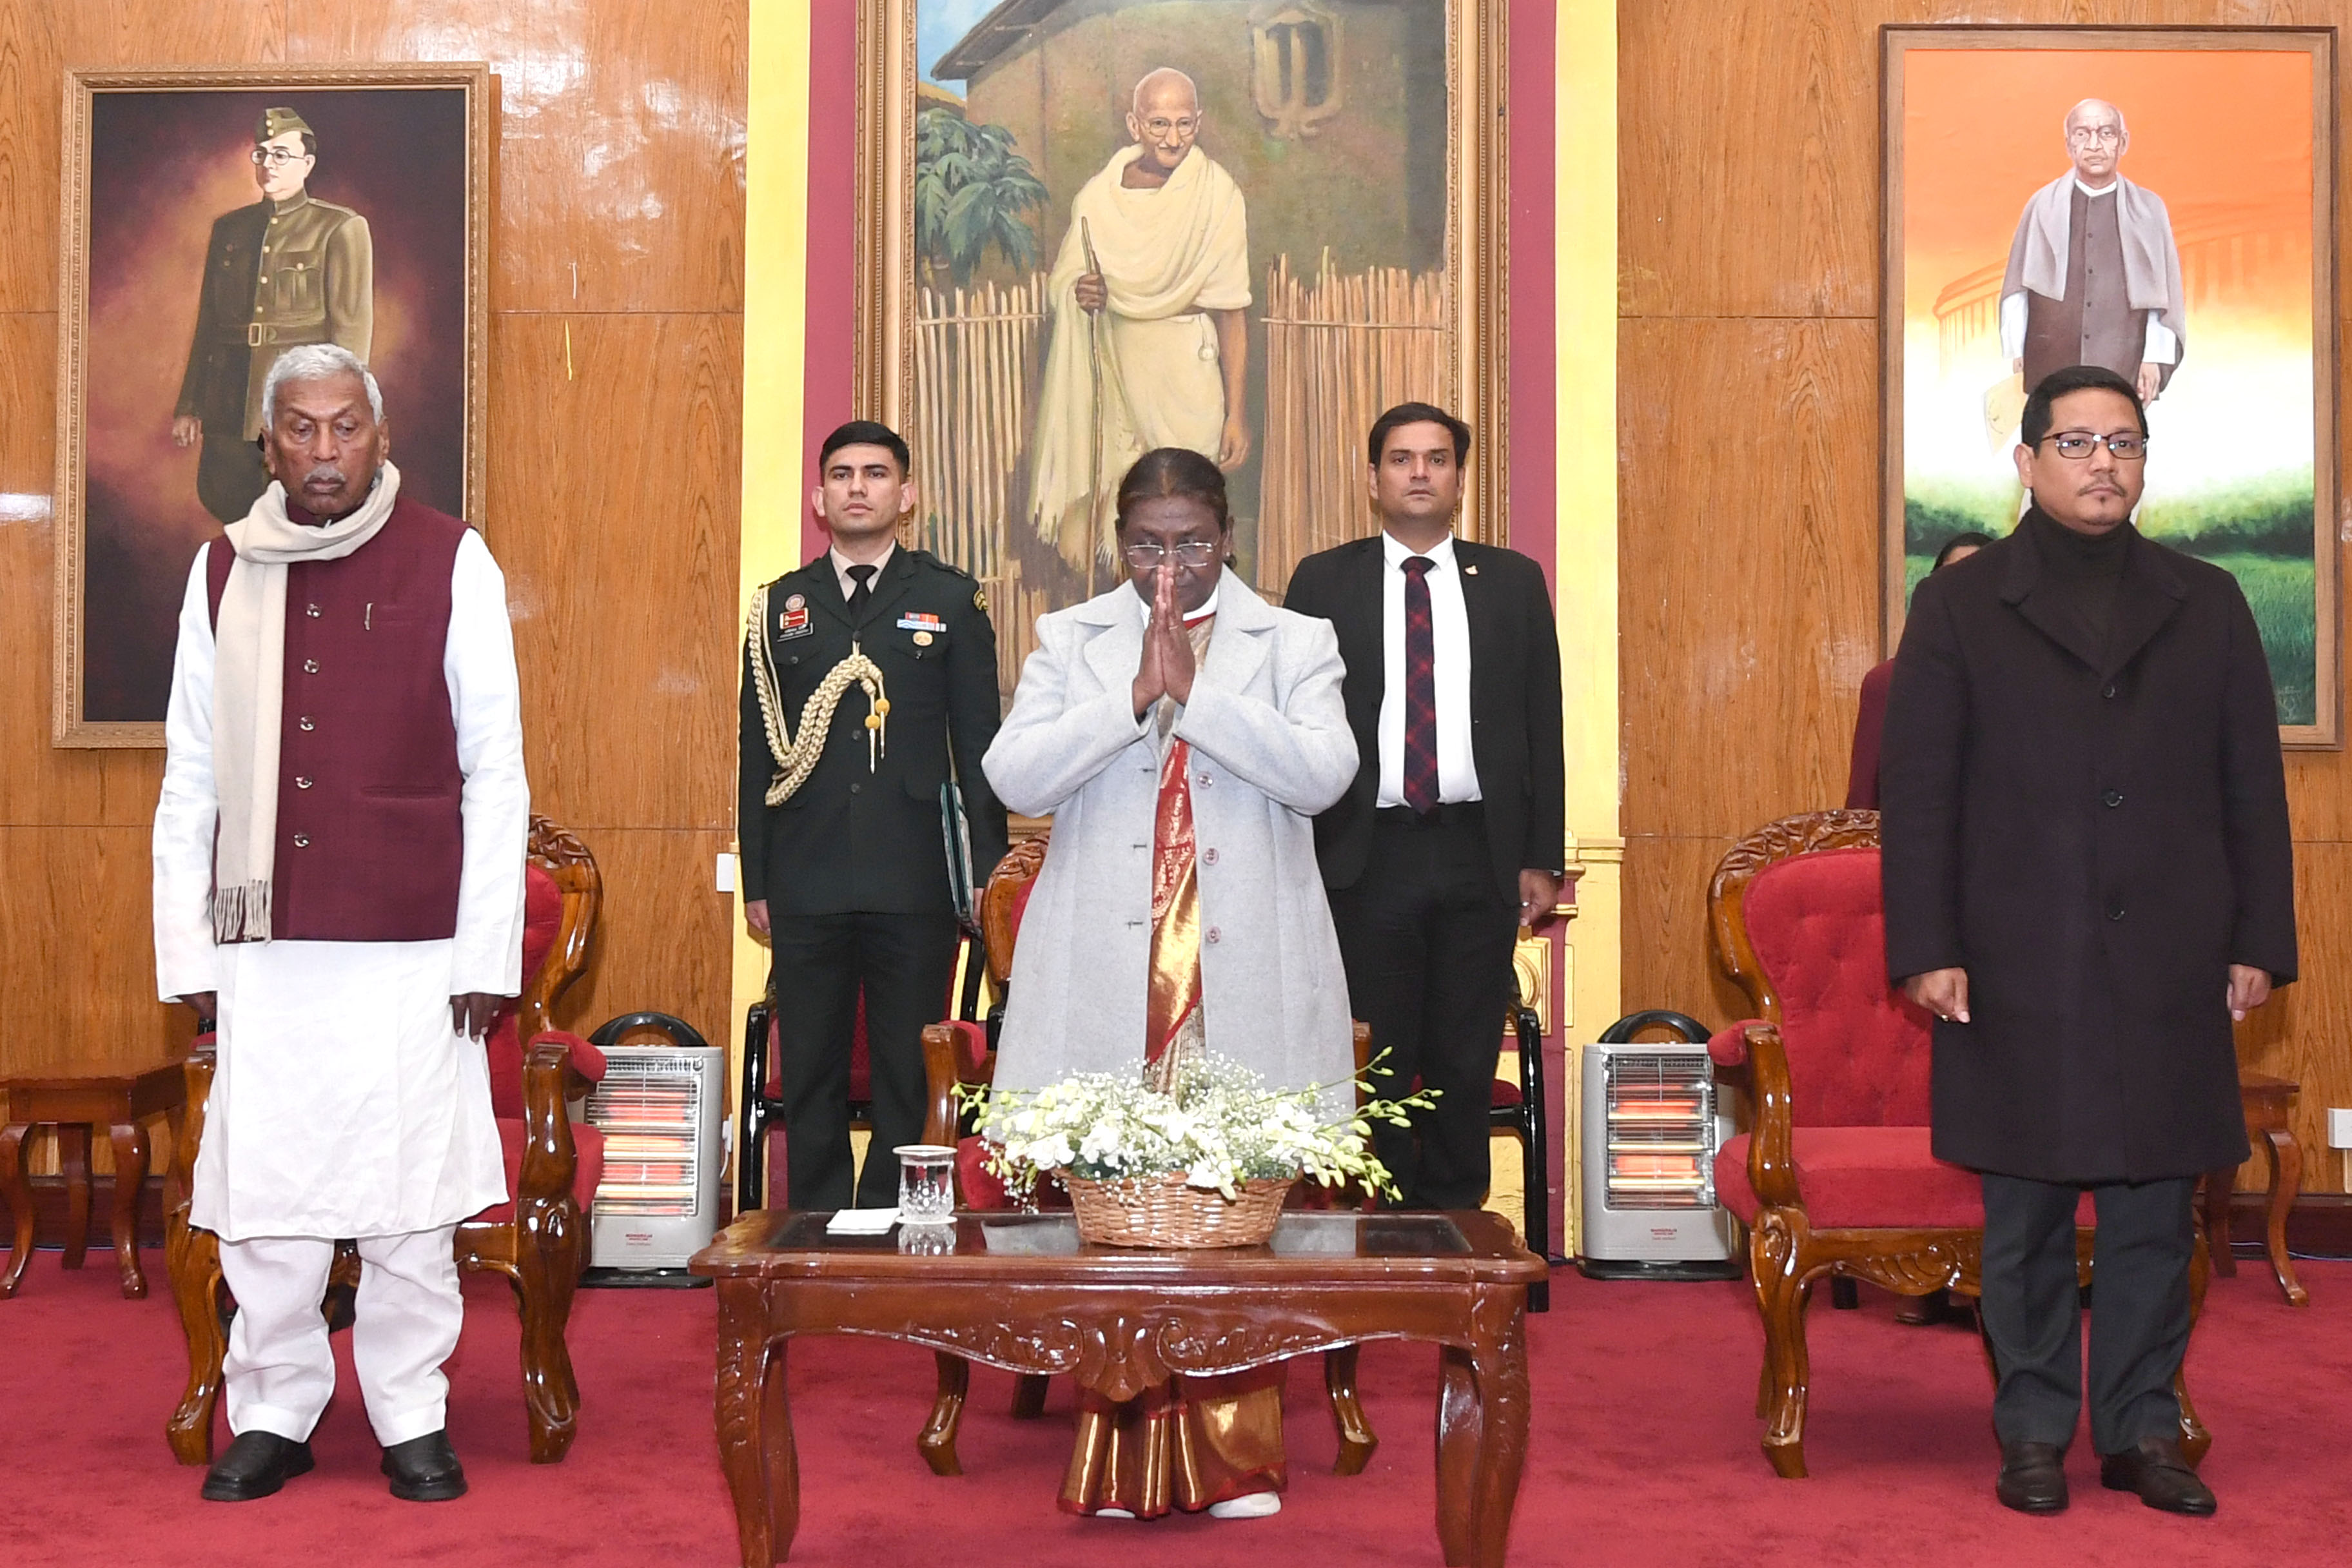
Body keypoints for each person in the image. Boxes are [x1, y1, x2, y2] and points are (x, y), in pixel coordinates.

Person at [1879, 363, 2295, 1518]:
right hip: (2016, 955)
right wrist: (1927, 944)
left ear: (2143, 462)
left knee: (2157, 1213)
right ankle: (2026, 1432)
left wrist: (2258, 936)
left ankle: (2139, 1429)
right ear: (2024, 462)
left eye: (2121, 441)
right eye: (2073, 442)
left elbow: (2247, 789)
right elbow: (1919, 791)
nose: (2100, 461)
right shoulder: (1960, 604)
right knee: (2020, 1219)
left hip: (2170, 955)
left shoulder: (2203, 598)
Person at [152, 342, 525, 1504]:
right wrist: (188, 954)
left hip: (412, 941)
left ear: (378, 431)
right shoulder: (219, 571)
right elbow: (191, 775)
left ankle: (412, 1409)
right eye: (301, 430)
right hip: (268, 943)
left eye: (344, 427)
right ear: (267, 444)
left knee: (409, 1191)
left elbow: (496, 771)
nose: (324, 452)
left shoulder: (451, 557)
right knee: (270, 1191)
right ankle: (276, 1405)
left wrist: (484, 948)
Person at [984, 447, 1357, 1520]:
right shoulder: (1070, 638)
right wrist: (1131, 695)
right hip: (1110, 959)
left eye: (1192, 543)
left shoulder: (1294, 641)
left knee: (1231, 1214)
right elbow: (1016, 776)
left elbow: (1324, 774)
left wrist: (1197, 698)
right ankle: (1113, 1460)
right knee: (1117, 1209)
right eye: (1147, 545)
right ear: (1118, 544)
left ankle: (1239, 1459)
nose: (1170, 566)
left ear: (1227, 536)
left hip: (1241, 956)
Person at [1282, 402, 1564, 1211]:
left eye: (1436, 459)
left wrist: (1540, 855)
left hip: (1477, 848)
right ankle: (1383, 1226)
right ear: (1373, 479)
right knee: (1375, 1052)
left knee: (1463, 1052)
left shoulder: (1511, 579)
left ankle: (1454, 1228)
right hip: (1366, 853)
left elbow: (1542, 720)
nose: (1418, 473)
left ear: (1459, 480)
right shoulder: (1322, 579)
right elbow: (1298, 720)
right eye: (1401, 459)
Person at [738, 421, 1008, 1210]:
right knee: (813, 1067)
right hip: (806, 872)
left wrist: (987, 877)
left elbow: (978, 746)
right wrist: (760, 875)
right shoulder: (780, 605)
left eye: (877, 473)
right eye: (843, 474)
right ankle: (816, 1229)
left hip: (914, 874)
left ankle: (893, 1223)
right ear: (819, 498)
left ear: (907, 494)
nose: (859, 486)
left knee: (905, 1064)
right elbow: (757, 753)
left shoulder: (950, 599)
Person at [1026, 68, 1251, 576]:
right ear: (1134, 124)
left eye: (1185, 124)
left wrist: (1236, 413)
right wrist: (1081, 292)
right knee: (1120, 512)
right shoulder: (1098, 197)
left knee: (1191, 508)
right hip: (1114, 362)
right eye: (1158, 124)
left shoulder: (1217, 194)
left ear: (1200, 122)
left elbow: (1231, 309)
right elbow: (1067, 281)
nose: (1173, 138)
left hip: (1188, 374)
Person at [174, 107, 375, 525]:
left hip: (298, 408)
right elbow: (209, 325)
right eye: (261, 154)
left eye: (281, 155)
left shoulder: (339, 228)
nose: (268, 165)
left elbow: (351, 330)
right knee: (229, 506)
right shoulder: (230, 229)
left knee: (300, 516)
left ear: (308, 164)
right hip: (229, 404)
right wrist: (191, 403)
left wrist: (337, 415)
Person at [2000, 99, 2184, 408]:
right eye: (2083, 134)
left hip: (2123, 366)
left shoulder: (2150, 209)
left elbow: (2161, 296)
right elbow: (2017, 290)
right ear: (2068, 143)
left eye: (2106, 133)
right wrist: (2017, 353)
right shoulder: (2041, 206)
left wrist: (2154, 358)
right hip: (2050, 367)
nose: (2094, 145)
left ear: (2122, 142)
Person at [1847, 531, 1990, 811]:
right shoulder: (1889, 682)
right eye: (1953, 578)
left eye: (1981, 580)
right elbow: (1862, 806)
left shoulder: (2034, 680)